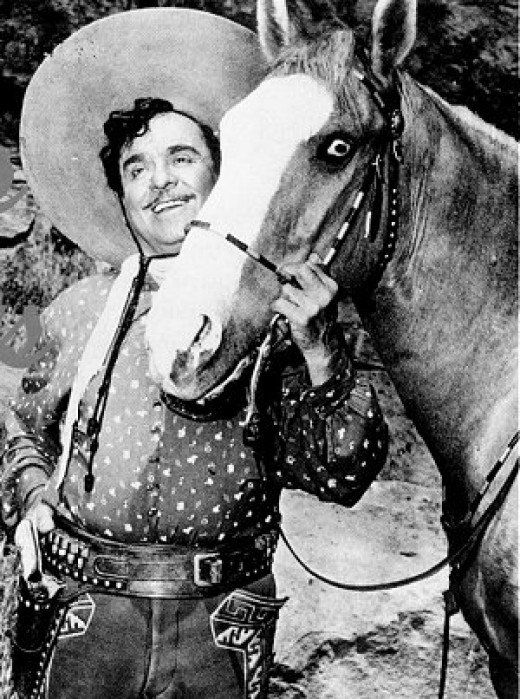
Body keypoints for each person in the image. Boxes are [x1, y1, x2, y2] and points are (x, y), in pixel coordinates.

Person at [0, 9, 389, 699]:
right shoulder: (63, 308)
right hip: (87, 619)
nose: (162, 181)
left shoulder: (282, 320)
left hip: (219, 626)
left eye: (183, 158)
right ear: (120, 194)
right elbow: (10, 414)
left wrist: (326, 355)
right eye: (137, 168)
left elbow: (343, 476)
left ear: (221, 174)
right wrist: (31, 496)